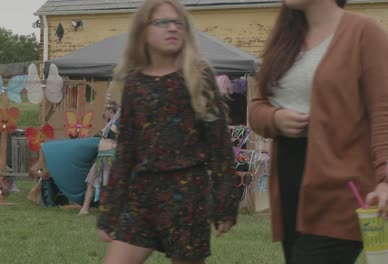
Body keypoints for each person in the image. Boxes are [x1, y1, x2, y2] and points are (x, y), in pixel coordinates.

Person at [96, 0, 241, 263]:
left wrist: (225, 201)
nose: (172, 28)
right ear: (144, 31)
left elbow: (220, 147)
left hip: (188, 198)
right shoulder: (134, 83)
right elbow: (126, 151)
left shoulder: (199, 77)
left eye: (179, 23)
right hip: (142, 197)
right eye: (162, 22)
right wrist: (109, 209)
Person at [248, 0, 388, 263]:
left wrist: (385, 180)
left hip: (341, 185)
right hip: (290, 182)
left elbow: (383, 113)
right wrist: (275, 118)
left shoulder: (364, 32)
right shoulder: (285, 38)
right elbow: (257, 108)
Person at [78, 101, 120, 216]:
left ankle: (113, 211)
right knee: (90, 183)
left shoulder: (119, 122)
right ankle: (84, 209)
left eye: (105, 110)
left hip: (112, 157)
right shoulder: (107, 126)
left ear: (110, 110)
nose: (103, 112)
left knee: (112, 185)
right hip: (101, 157)